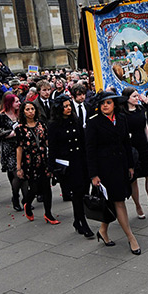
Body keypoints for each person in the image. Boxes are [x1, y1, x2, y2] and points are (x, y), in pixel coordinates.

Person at [85, 91, 141, 254]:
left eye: (108, 103)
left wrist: (131, 166)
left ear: (114, 104)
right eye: (102, 103)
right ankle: (131, 237)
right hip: (105, 168)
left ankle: (103, 231)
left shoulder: (122, 118)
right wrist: (94, 174)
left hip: (122, 165)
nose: (105, 106)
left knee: (112, 201)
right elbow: (90, 150)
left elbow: (126, 143)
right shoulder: (93, 122)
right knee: (118, 201)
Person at [48, 95, 93, 238]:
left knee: (83, 192)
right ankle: (82, 221)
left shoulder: (76, 119)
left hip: (81, 161)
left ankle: (77, 220)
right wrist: (52, 168)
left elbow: (83, 140)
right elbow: (53, 148)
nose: (68, 108)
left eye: (69, 106)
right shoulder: (54, 124)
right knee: (77, 192)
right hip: (68, 164)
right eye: (65, 106)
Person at [16, 101, 58, 224]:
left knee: (46, 187)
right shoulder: (20, 129)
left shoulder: (42, 125)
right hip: (30, 162)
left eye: (32, 109)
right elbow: (19, 148)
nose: (30, 112)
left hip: (44, 159)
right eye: (27, 109)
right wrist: (19, 167)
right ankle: (27, 204)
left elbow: (47, 141)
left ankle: (48, 214)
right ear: (23, 112)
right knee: (34, 188)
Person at [122, 87, 148, 219]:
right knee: (134, 178)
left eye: (138, 96)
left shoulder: (141, 109)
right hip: (131, 147)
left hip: (143, 144)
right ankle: (137, 205)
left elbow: (145, 127)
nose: (138, 98)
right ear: (127, 98)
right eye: (134, 96)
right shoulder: (122, 113)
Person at [0, 93, 23, 210]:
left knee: (22, 175)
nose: (19, 103)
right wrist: (10, 133)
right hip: (9, 149)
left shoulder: (20, 114)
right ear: (9, 103)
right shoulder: (0, 116)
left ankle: (25, 198)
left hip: (21, 147)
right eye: (16, 101)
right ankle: (15, 197)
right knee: (16, 173)